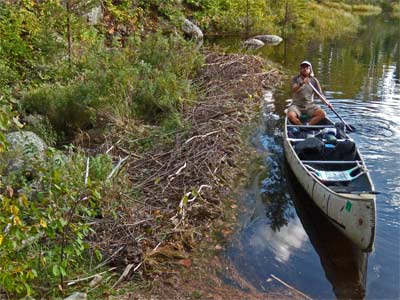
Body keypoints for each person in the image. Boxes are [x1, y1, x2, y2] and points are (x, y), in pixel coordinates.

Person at [287, 60, 332, 125]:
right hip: (296, 105)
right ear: (300, 69)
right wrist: (302, 83)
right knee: (291, 116)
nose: (305, 69)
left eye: (307, 68)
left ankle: (308, 125)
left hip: (309, 105)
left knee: (322, 114)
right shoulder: (295, 79)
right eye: (303, 67)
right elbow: (293, 89)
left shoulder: (314, 80)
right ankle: (301, 126)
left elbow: (320, 95)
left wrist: (327, 103)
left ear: (310, 70)